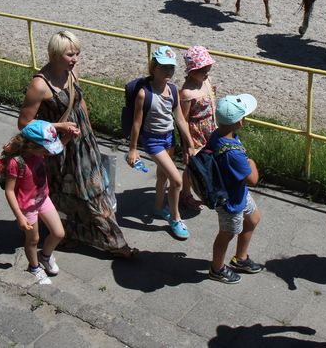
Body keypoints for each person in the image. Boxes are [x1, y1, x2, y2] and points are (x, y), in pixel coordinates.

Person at [18, 31, 138, 258]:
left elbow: (79, 102)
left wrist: (90, 132)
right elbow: (24, 123)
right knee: (63, 191)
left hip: (82, 143)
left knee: (95, 191)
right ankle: (70, 233)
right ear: (54, 55)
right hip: (60, 147)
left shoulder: (71, 71)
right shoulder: (39, 85)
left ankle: (114, 242)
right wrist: (59, 127)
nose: (76, 59)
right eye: (70, 54)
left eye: (77, 54)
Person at [127, 46, 194, 240]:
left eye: (171, 68)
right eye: (164, 67)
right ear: (153, 67)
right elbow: (136, 124)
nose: (168, 72)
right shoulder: (144, 94)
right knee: (177, 180)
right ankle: (175, 218)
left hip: (169, 137)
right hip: (153, 141)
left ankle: (158, 207)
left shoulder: (173, 89)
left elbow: (180, 119)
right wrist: (133, 150)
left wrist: (188, 142)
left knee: (163, 177)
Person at [0, 120, 67, 285]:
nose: (47, 152)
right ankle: (34, 267)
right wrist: (20, 217)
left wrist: (67, 137)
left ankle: (45, 256)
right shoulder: (16, 163)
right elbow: (9, 191)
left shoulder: (38, 152)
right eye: (45, 148)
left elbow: (51, 151)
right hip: (27, 207)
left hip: (43, 199)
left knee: (59, 233)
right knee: (33, 240)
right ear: (32, 146)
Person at [206, 94, 264, 283]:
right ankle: (217, 268)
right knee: (227, 233)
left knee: (253, 218)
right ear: (239, 122)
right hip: (230, 201)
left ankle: (241, 258)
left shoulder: (218, 135)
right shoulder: (233, 154)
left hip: (238, 193)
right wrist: (251, 162)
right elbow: (253, 179)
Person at [179, 45, 217, 210]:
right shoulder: (187, 93)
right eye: (203, 70)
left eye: (208, 69)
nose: (207, 73)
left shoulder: (206, 81)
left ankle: (207, 188)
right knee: (192, 166)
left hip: (210, 128)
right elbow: (183, 119)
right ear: (191, 71)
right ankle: (185, 194)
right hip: (195, 134)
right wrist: (188, 145)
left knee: (209, 161)